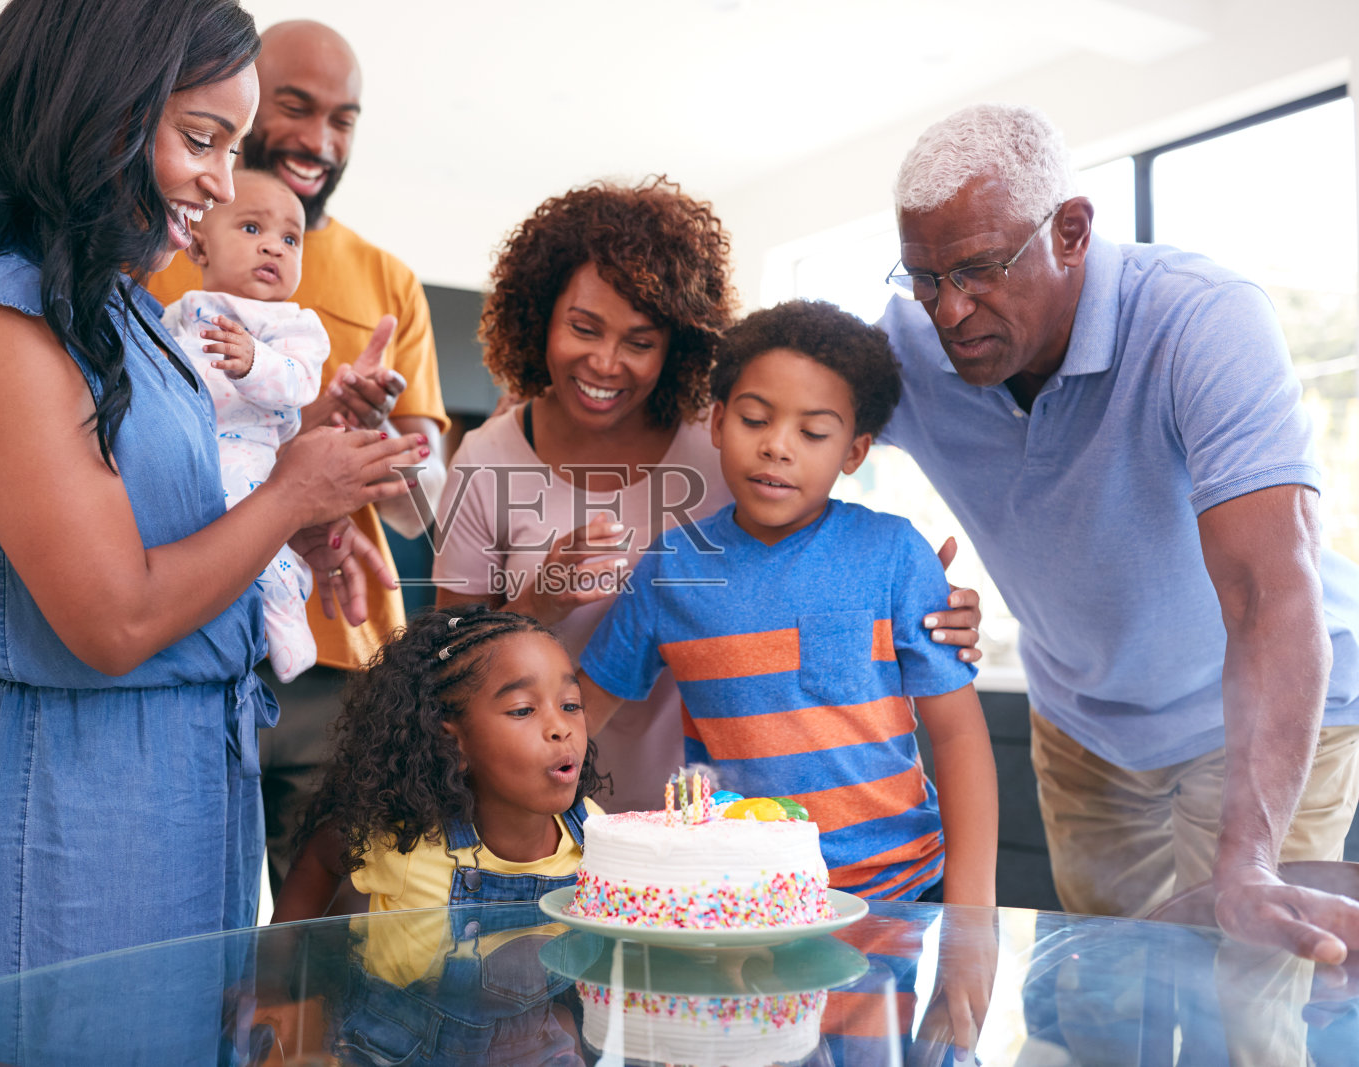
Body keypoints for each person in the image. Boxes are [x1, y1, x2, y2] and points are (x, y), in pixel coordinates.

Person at [0, 0, 423, 993]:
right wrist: (285, 495)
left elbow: (182, 524)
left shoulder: (117, 314)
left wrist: (299, 528)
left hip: (187, 784)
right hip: (77, 805)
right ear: (95, 110)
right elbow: (114, 614)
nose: (222, 182)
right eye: (200, 137)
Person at [879, 103, 1359, 961]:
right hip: (1087, 727)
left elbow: (1266, 596)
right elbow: (773, 428)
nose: (949, 311)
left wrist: (1248, 859)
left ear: (1071, 232)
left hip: (1254, 707)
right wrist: (885, 589)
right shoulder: (911, 348)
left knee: (1249, 1001)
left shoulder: (1199, 321)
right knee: (1105, 989)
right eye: (924, 278)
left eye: (981, 269)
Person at [436, 179, 985, 812]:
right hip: (557, 806)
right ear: (539, 316)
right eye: (584, 328)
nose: (606, 363)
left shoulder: (727, 444)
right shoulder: (486, 459)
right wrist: (536, 602)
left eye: (640, 341)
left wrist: (911, 596)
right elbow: (448, 664)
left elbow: (814, 552)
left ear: (677, 346)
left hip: (718, 828)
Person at [146, 19, 451, 896]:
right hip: (187, 642)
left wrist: (378, 442)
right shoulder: (159, 256)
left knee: (340, 933)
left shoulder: (389, 281)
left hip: (343, 667)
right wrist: (307, 416)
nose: (320, 141)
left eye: (343, 119)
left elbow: (419, 509)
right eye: (295, 107)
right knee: (189, 916)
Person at [579, 300, 999, 907]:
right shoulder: (673, 569)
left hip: (903, 891)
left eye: (813, 432)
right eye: (755, 420)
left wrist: (971, 914)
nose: (778, 447)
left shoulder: (895, 555)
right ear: (719, 422)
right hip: (742, 901)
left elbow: (959, 740)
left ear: (854, 452)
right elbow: (578, 716)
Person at [162, 168, 368, 682]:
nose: (274, 247)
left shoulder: (293, 326)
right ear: (199, 248)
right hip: (182, 450)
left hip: (245, 452)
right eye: (252, 229)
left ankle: (284, 608)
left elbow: (298, 384)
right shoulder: (179, 312)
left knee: (253, 538)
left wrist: (255, 360)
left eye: (290, 239)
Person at [271, 608, 607, 921]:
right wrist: (273, 977)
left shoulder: (597, 835)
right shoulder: (401, 845)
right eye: (522, 709)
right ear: (451, 741)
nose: (561, 728)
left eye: (570, 705)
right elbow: (321, 856)